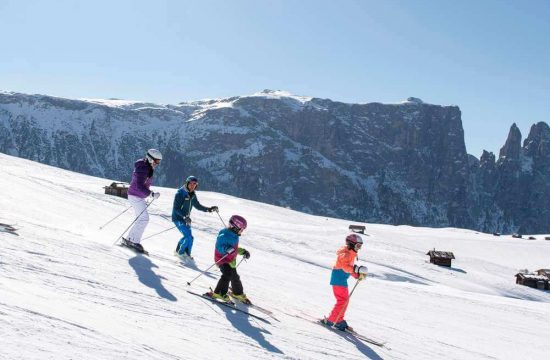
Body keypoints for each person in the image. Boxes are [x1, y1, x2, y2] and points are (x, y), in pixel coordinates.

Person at [322, 234, 368, 331]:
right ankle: (332, 320)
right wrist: (357, 269)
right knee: (342, 300)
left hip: (341, 280)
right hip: (338, 280)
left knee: (344, 300)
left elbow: (348, 269)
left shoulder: (350, 254)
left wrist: (357, 275)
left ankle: (338, 319)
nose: (359, 248)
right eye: (358, 246)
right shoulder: (345, 254)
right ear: (352, 244)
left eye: (360, 246)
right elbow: (345, 267)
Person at [123, 148, 162, 253]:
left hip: (137, 196)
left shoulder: (146, 166)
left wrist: (148, 193)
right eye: (156, 161)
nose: (157, 163)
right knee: (144, 219)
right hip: (135, 195)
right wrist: (151, 194)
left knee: (142, 218)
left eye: (159, 161)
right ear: (150, 158)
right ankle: (133, 241)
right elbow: (139, 185)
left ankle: (130, 239)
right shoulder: (144, 168)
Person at [205, 215, 251, 303]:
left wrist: (243, 252)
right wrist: (227, 249)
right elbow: (219, 246)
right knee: (227, 274)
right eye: (241, 229)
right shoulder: (224, 234)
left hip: (231, 261)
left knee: (235, 277)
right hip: (222, 259)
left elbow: (234, 248)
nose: (242, 231)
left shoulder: (234, 235)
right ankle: (219, 293)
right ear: (235, 227)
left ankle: (237, 293)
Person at [172, 175, 218, 260]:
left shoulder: (192, 194)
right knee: (187, 236)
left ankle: (187, 253)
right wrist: (184, 216)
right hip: (178, 218)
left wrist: (209, 209)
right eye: (191, 183)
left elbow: (197, 205)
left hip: (186, 219)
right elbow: (176, 209)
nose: (193, 186)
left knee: (190, 237)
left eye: (195, 184)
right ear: (187, 183)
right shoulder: (180, 193)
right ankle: (180, 253)